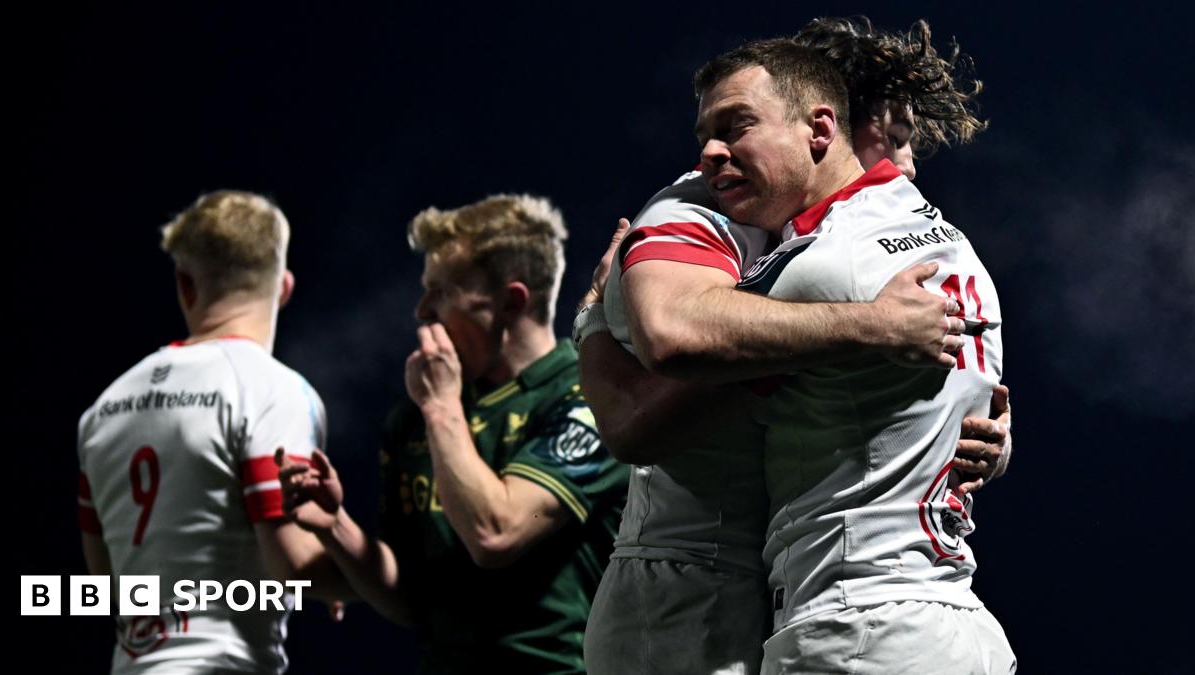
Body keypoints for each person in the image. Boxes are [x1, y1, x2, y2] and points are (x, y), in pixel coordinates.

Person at [576, 19, 1011, 675]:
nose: (907, 164)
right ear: (827, 123)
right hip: (687, 602)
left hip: (849, 617)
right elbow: (663, 361)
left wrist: (976, 433)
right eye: (893, 138)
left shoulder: (827, 255)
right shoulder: (702, 212)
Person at [278, 194, 629, 673]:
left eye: (441, 292)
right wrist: (335, 525)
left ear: (511, 302)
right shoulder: (413, 417)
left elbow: (496, 534)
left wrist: (441, 407)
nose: (422, 311)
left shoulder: (587, 395)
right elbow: (411, 601)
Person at [76, 190, 348, 674]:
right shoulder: (273, 389)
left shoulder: (103, 408)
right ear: (284, 287)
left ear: (184, 285)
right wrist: (370, 576)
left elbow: (106, 582)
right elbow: (295, 566)